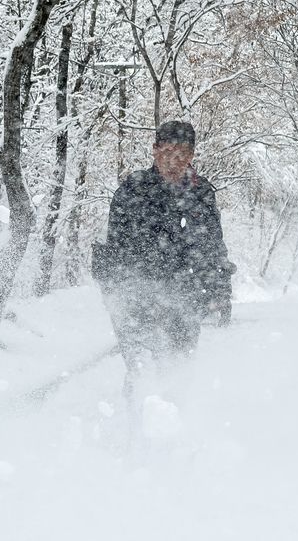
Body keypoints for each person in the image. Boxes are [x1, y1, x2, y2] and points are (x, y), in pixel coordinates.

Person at [92, 120, 234, 402]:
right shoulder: (133, 190)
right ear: (155, 150)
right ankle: (137, 434)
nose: (174, 160)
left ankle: (173, 433)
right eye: (167, 151)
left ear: (192, 155)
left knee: (178, 374)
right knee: (142, 374)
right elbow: (114, 246)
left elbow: (213, 247)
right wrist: (115, 292)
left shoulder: (201, 193)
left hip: (186, 299)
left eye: (182, 153)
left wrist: (220, 291)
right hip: (138, 299)